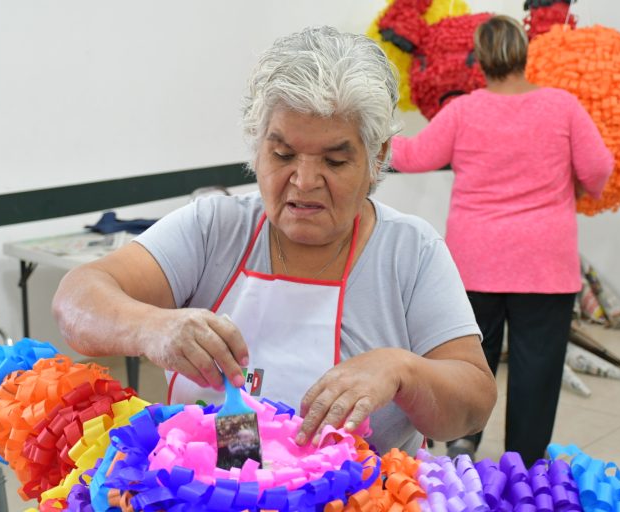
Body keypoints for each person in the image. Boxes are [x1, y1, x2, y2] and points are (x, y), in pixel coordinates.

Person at [52, 26, 497, 455]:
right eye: (282, 155)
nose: (303, 182)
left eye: (335, 161)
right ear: (257, 145)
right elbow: (76, 299)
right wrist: (151, 327)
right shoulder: (215, 229)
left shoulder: (409, 252)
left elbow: (474, 404)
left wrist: (404, 371)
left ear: (377, 156)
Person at [390, 15, 614, 465]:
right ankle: (524, 464)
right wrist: (579, 187)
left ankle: (462, 440)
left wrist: (363, 135)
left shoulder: (464, 110)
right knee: (537, 367)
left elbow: (414, 156)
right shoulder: (562, 106)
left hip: (475, 263)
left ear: (480, 59)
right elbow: (598, 169)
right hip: (545, 264)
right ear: (525, 53)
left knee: (467, 358)